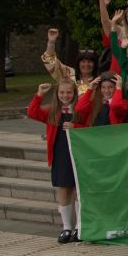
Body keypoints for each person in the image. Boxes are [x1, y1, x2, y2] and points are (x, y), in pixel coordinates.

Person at [27, 80, 91, 243]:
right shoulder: (52, 111)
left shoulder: (81, 109)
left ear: (75, 93)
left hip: (79, 153)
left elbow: (91, 127)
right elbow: (32, 112)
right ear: (57, 94)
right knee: (64, 188)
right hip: (60, 154)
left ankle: (79, 226)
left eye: (69, 92)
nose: (65, 96)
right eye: (61, 93)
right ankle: (66, 227)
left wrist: (75, 127)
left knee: (78, 190)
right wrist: (39, 94)